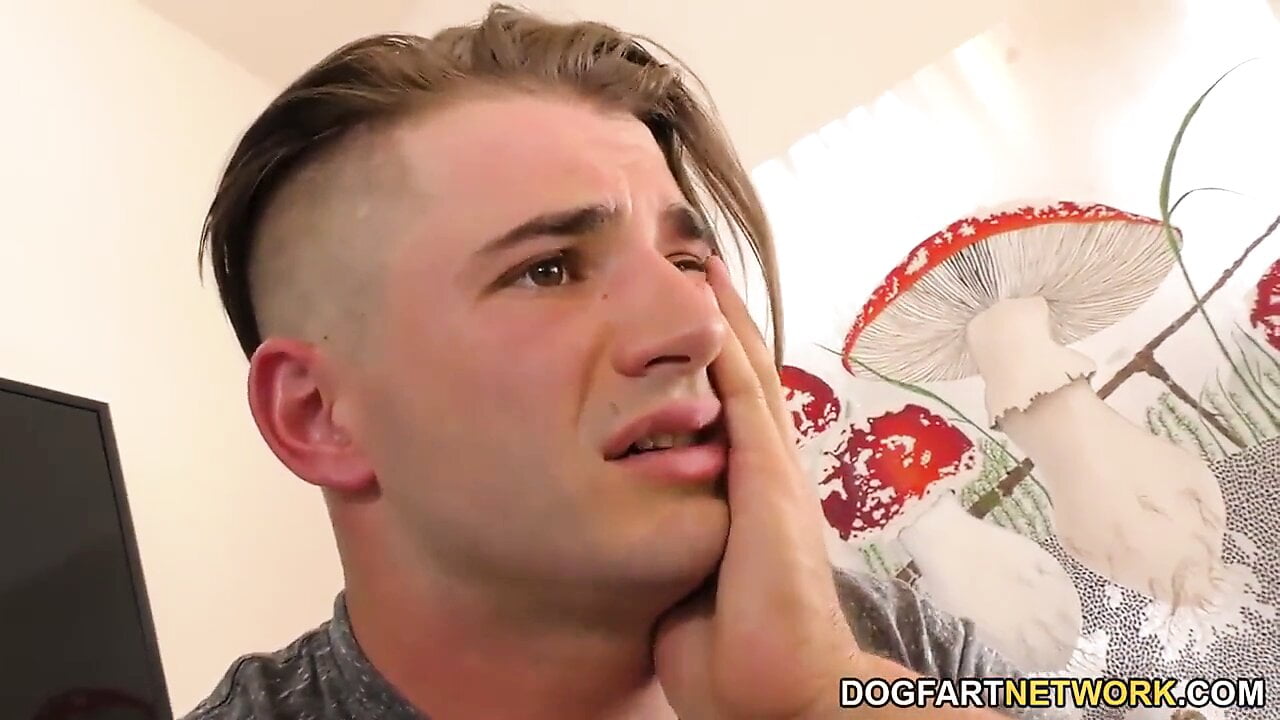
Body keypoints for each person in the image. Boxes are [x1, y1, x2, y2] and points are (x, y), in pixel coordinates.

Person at [187, 4, 1070, 719]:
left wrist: (813, 706)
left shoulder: (889, 648)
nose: (699, 326)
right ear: (319, 416)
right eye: (548, 270)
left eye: (686, 263)